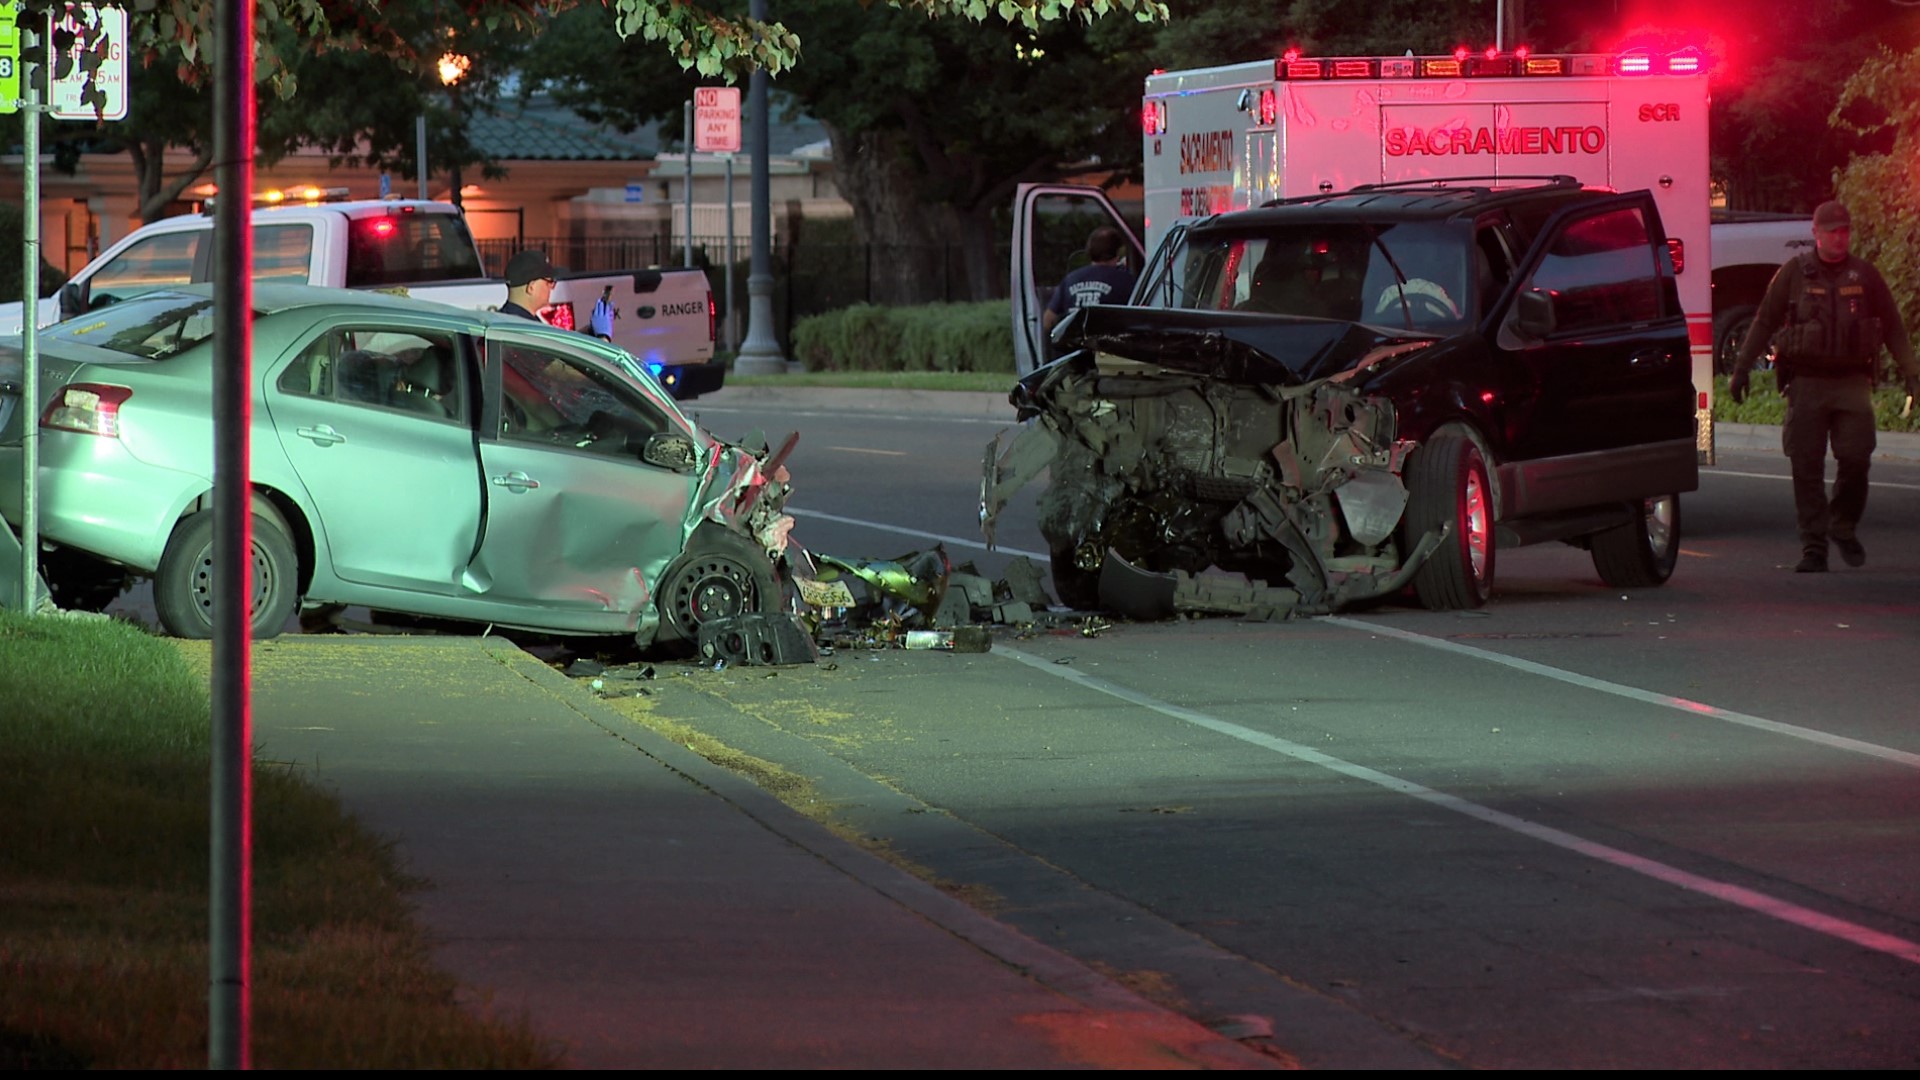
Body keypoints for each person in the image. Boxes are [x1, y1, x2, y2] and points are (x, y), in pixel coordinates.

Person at [1728, 200, 1920, 573]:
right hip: (1807, 382)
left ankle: (1842, 523)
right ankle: (1814, 546)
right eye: (1832, 231)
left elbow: (1894, 327)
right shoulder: (1795, 273)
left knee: (1856, 457)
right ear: (1815, 234)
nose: (1839, 237)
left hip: (1851, 381)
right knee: (1806, 465)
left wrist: (1911, 372)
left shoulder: (1864, 276)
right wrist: (1741, 369)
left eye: (1844, 230)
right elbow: (1765, 320)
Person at [1043, 226, 1137, 336]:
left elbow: (1048, 321)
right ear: (1117, 252)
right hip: (1107, 349)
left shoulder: (1070, 279)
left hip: (1073, 349)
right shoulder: (1126, 281)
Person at [500, 249, 558, 321]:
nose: (552, 287)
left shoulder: (498, 322)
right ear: (531, 287)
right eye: (549, 282)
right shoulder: (528, 328)